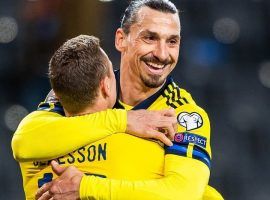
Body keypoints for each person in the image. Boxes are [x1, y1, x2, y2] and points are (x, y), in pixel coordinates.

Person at [13, 0, 223, 199]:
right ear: (121, 39)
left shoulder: (182, 115)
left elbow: (184, 194)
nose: (161, 53)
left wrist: (85, 187)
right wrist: (122, 120)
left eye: (172, 41)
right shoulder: (87, 85)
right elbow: (24, 142)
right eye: (149, 38)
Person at [12, 34, 178, 200]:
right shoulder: (142, 146)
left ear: (56, 94)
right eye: (112, 73)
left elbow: (22, 142)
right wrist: (122, 118)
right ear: (106, 85)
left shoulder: (37, 143)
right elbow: (182, 192)